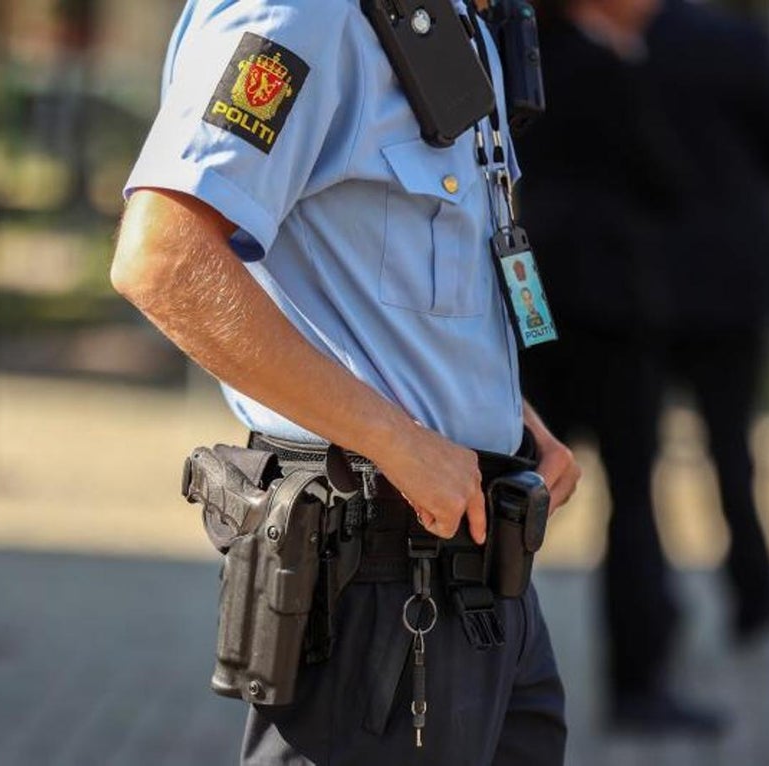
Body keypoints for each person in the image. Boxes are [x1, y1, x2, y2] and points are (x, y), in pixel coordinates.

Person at [109, 0, 580, 763]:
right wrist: (395, 439)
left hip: (485, 577)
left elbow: (396, 282)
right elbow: (163, 258)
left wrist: (512, 419)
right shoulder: (304, 13)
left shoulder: (461, 19)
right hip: (377, 581)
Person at [517, 0, 769, 737]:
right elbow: (673, 169)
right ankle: (640, 675)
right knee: (641, 491)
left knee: (509, 484)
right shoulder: (619, 65)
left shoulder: (512, 54)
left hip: (531, 298)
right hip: (619, 306)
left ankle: (475, 663)